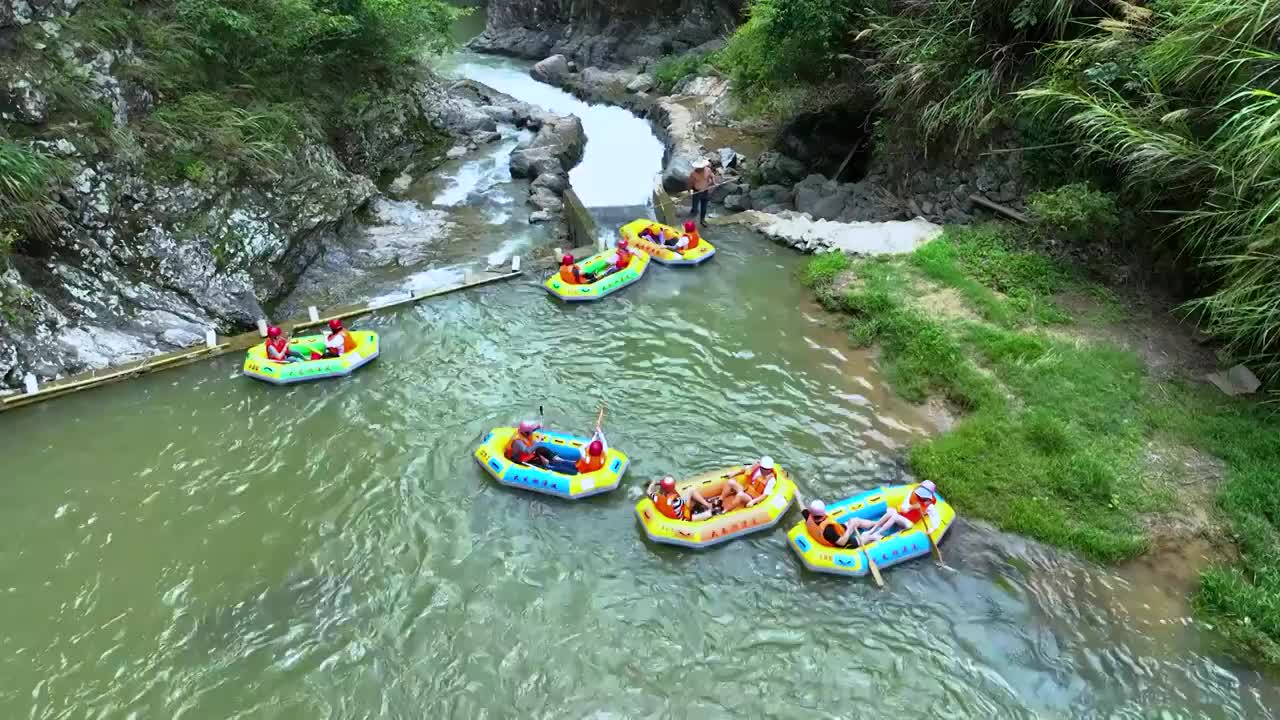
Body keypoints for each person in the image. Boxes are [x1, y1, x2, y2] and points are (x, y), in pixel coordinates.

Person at [862, 481, 938, 542]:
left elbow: (935, 518)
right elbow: (904, 508)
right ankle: (872, 530)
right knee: (890, 511)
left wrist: (931, 529)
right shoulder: (913, 494)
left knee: (895, 516)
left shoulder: (931, 504)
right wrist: (911, 507)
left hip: (910, 523)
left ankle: (877, 533)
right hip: (903, 516)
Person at [801, 499, 878, 548]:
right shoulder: (828, 530)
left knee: (856, 520)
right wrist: (850, 528)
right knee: (870, 537)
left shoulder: (808, 516)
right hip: (842, 543)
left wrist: (796, 494)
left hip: (839, 532)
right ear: (823, 512)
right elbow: (842, 542)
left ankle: (876, 523)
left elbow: (802, 507)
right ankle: (876, 537)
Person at [646, 476, 715, 522]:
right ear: (673, 488)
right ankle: (709, 507)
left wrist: (652, 484)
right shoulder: (677, 501)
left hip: (670, 515)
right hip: (684, 519)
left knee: (690, 493)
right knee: (708, 513)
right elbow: (687, 504)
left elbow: (648, 492)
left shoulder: (656, 498)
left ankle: (706, 506)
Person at [687, 157, 717, 227]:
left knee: (704, 206)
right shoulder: (693, 173)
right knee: (695, 205)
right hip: (696, 191)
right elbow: (690, 183)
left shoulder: (708, 170)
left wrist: (714, 182)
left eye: (701, 167)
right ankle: (694, 211)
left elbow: (712, 176)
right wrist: (689, 190)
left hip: (705, 191)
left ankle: (702, 220)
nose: (700, 168)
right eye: (699, 167)